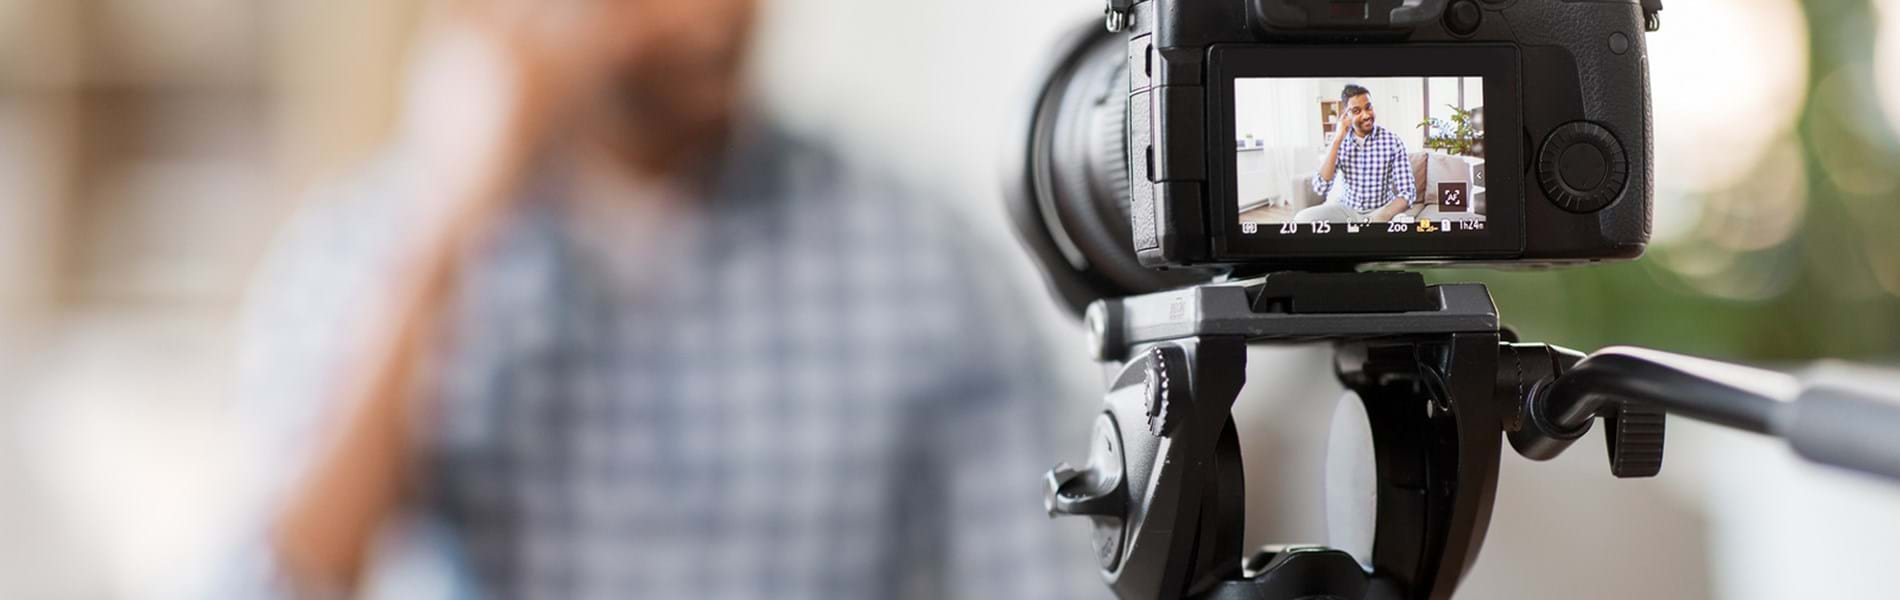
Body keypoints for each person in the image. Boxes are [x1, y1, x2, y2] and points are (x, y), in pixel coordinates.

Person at [216, 0, 1096, 598]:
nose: (713, 19)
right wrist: (452, 223)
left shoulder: (921, 258)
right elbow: (279, 580)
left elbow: (1047, 573)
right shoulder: (367, 253)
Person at [1295, 84, 1416, 224]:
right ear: (1347, 115)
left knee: (1405, 224)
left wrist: (1381, 216)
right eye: (1357, 111)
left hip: (1381, 209)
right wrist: (1337, 140)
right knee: (1302, 219)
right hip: (1347, 209)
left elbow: (1408, 192)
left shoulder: (1392, 141)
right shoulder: (1340, 142)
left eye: (1368, 107)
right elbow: (1320, 187)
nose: (1366, 115)